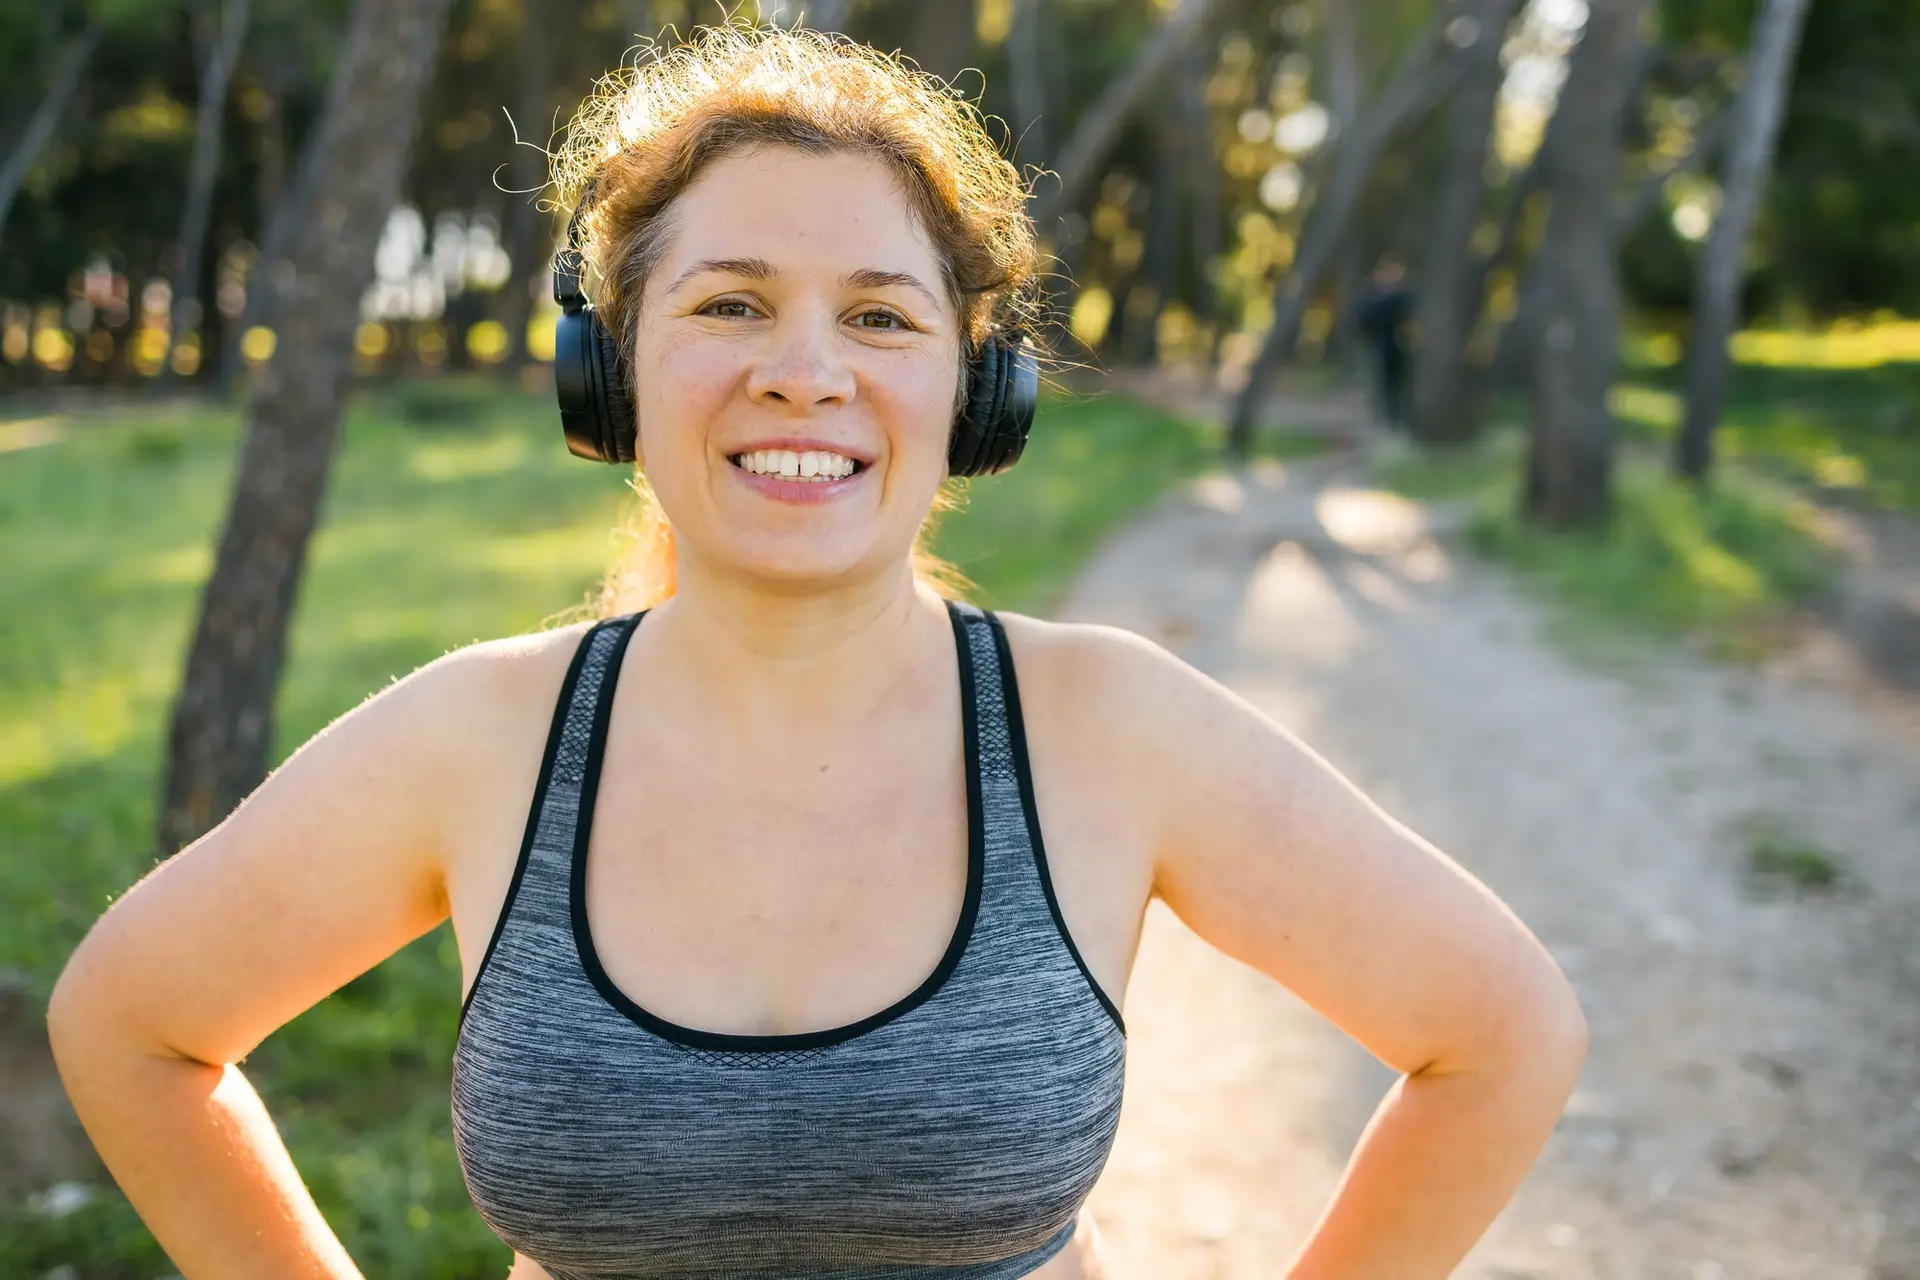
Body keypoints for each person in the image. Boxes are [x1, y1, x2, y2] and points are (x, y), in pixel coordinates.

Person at [47, 25, 1585, 1280]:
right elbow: (130, 1022)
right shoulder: (479, 741)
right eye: (730, 303)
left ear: (979, 397)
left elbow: (1501, 1034)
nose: (806, 375)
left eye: (881, 318)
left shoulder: (1104, 726)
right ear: (611, 374)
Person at [1356, 252, 1415, 428]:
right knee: (1379, 381)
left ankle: (1395, 416)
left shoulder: (1401, 297)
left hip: (1396, 347)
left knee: (1396, 382)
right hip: (1378, 346)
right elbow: (1363, 321)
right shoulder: (1372, 297)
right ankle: (1382, 416)